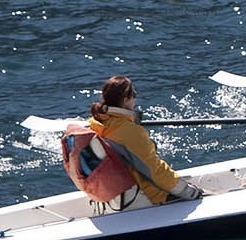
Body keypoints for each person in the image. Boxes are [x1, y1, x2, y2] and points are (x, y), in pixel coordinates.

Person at [87, 75, 204, 207]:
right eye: (134, 94)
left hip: (116, 198)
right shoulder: (130, 132)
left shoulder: (97, 124)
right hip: (149, 197)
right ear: (126, 100)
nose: (135, 98)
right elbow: (155, 171)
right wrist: (190, 192)